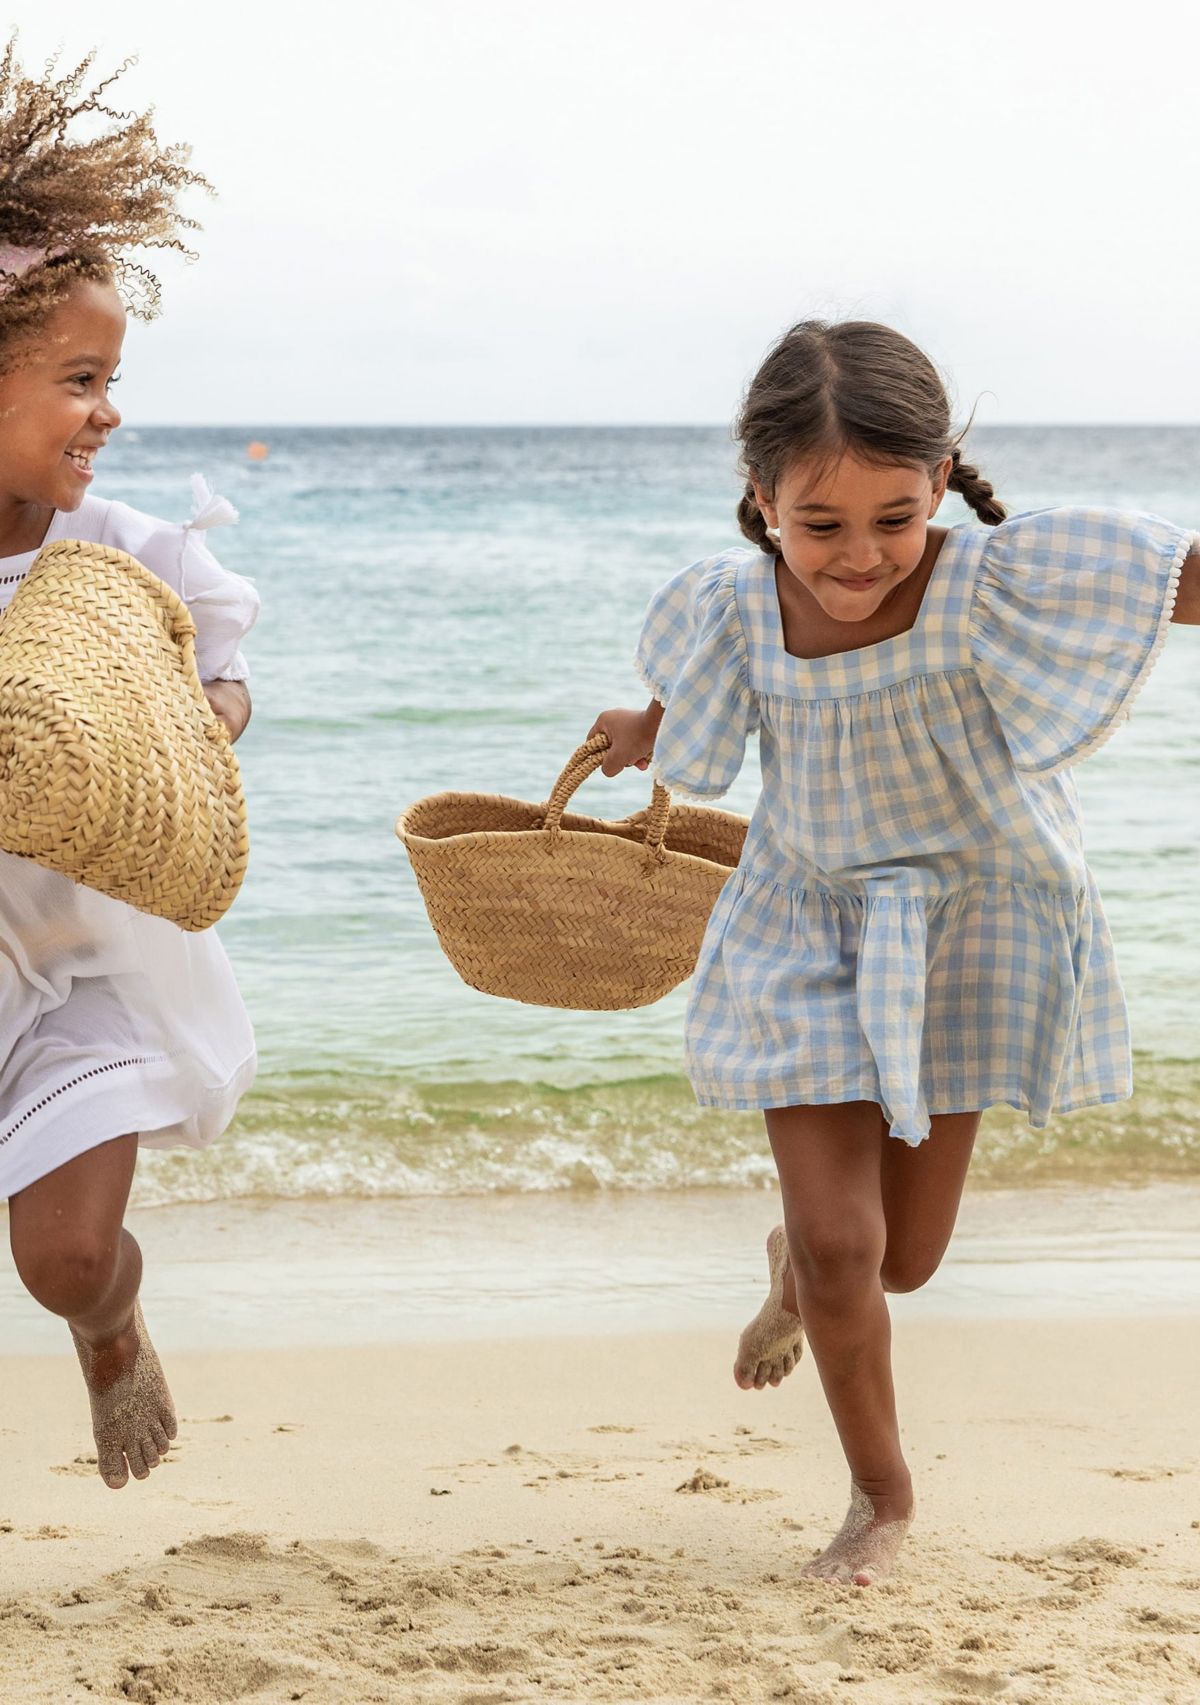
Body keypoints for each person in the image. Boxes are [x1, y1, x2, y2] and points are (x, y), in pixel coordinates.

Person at [589, 319, 1200, 1584]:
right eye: (820, 526)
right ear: (763, 500)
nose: (858, 557)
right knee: (845, 1247)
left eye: (893, 518)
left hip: (972, 929)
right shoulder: (736, 606)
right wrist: (640, 726)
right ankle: (881, 1496)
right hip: (802, 925)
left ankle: (800, 1259)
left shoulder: (994, 581)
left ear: (941, 483)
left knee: (904, 1261)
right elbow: (698, 706)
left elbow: (1168, 583)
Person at [0, 43, 260, 1489]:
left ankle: (109, 1326)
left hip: (86, 960)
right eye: (79, 380)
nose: (108, 410)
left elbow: (220, 673)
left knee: (68, 1251)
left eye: (115, 378)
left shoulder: (127, 558)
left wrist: (202, 719)